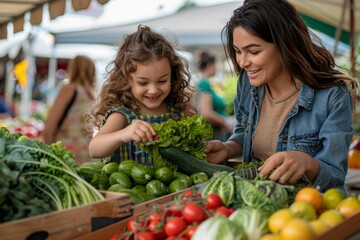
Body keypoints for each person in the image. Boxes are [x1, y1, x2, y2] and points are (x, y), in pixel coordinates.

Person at [204, 0, 358, 193]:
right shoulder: (247, 81)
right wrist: (228, 148)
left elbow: (335, 174)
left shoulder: (332, 96)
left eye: (253, 51)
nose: (243, 62)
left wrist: (307, 164)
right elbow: (246, 130)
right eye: (237, 51)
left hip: (308, 210)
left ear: (284, 44)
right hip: (259, 201)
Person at [88, 25, 196, 166]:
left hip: (178, 189)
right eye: (143, 83)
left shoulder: (180, 112)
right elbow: (94, 149)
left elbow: (197, 155)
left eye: (162, 81)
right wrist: (124, 134)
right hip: (128, 189)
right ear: (127, 79)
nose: (153, 90)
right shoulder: (123, 115)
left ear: (173, 76)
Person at [43, 55, 97, 165]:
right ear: (92, 71)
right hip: (88, 159)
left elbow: (48, 129)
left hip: (68, 158)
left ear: (73, 68)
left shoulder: (69, 89)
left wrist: (51, 156)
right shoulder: (91, 95)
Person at [196, 50, 233, 141]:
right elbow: (206, 113)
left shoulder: (207, 82)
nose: (217, 69)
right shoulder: (204, 83)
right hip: (212, 136)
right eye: (216, 65)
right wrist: (224, 123)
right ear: (210, 65)